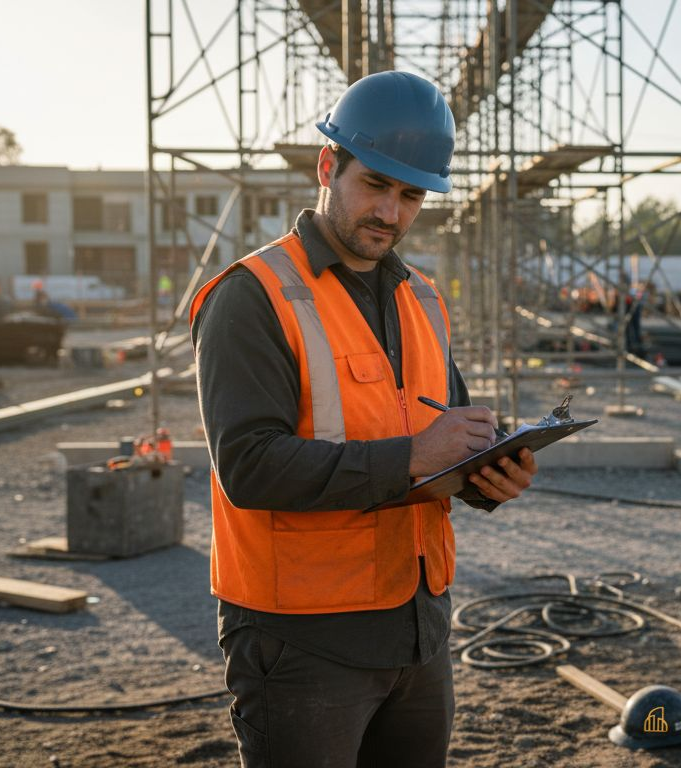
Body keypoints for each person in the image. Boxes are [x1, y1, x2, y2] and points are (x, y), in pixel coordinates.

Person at [190, 71, 538, 768]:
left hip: (419, 630)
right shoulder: (253, 296)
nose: (392, 211)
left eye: (411, 195)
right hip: (302, 644)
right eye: (375, 184)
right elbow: (249, 467)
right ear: (329, 166)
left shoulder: (424, 301)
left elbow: (444, 442)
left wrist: (486, 474)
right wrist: (412, 455)